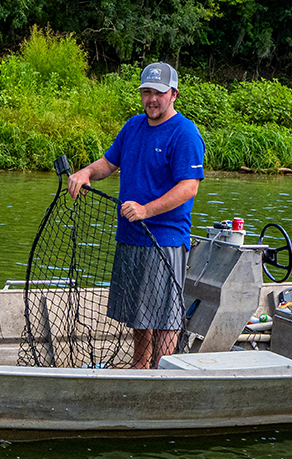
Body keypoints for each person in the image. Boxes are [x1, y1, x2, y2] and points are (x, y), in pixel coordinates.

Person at [67, 62, 205, 369]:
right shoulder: (133, 126)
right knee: (140, 316)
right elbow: (108, 163)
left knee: (166, 317)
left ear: (173, 94)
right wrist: (87, 172)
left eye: (158, 92)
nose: (151, 99)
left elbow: (189, 188)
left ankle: (163, 376)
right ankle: (141, 371)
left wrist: (146, 210)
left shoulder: (185, 133)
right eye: (146, 92)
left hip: (165, 239)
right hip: (130, 237)